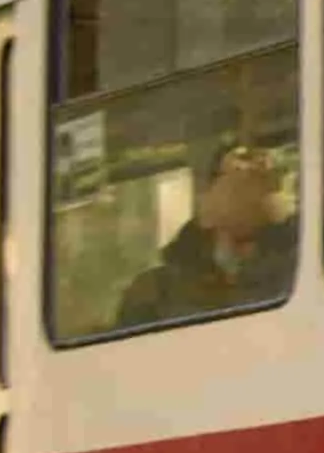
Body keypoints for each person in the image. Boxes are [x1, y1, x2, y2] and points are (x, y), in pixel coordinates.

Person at [119, 137, 296, 327]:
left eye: (263, 178)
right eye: (238, 175)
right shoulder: (155, 292)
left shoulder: (297, 270)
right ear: (207, 199)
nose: (251, 189)